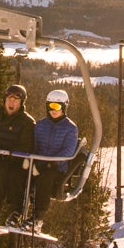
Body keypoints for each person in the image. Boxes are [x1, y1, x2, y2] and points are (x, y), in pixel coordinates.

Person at [0, 83, 37, 221]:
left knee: (2, 170)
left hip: (11, 162)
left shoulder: (27, 122)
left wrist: (5, 156)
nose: (11, 102)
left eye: (15, 100)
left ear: (21, 103)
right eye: (9, 99)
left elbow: (25, 147)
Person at [30, 88, 80, 227]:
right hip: (39, 164)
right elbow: (34, 145)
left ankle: (37, 217)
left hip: (57, 168)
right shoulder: (40, 125)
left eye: (57, 106)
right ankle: (17, 212)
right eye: (50, 106)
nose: (54, 110)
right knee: (21, 175)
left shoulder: (70, 128)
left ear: (64, 107)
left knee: (45, 178)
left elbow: (69, 151)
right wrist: (32, 160)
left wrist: (51, 162)